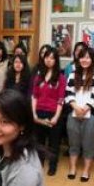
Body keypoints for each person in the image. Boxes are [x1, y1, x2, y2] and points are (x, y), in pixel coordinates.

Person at [65, 46, 94, 181]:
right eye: (82, 57)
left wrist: (86, 108)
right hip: (74, 113)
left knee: (89, 144)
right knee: (73, 143)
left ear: (92, 59)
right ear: (78, 58)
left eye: (88, 57)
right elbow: (68, 93)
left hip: (91, 116)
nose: (85, 60)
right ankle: (73, 168)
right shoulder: (72, 74)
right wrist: (75, 107)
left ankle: (86, 171)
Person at [32, 47, 66, 176]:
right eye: (47, 57)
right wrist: (34, 114)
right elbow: (34, 96)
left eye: (52, 58)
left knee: (54, 143)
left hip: (54, 114)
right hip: (39, 113)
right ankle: (39, 164)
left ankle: (52, 166)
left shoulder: (61, 77)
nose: (49, 60)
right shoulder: (39, 76)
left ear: (56, 60)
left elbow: (61, 99)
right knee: (39, 142)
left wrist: (56, 117)